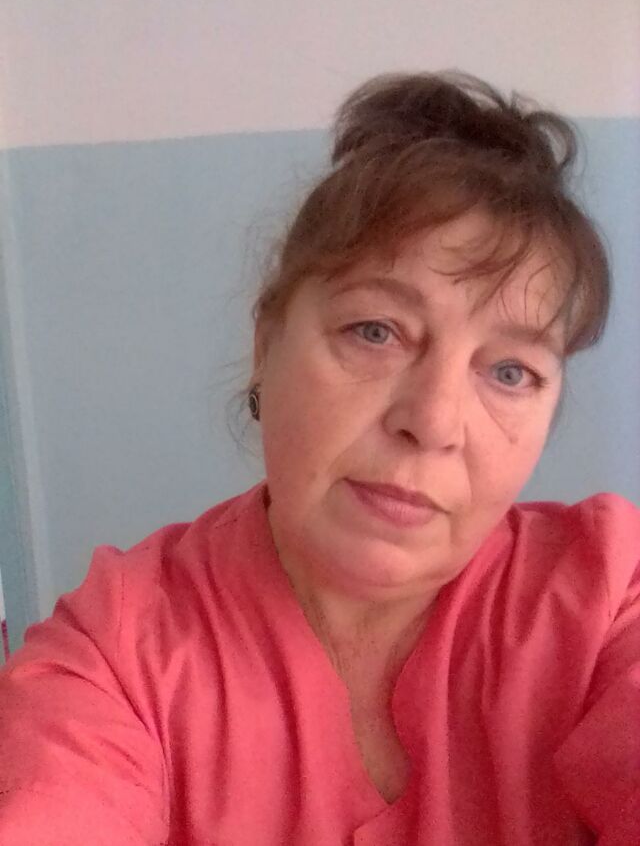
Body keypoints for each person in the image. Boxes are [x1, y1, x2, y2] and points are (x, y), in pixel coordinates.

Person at [0, 71, 638, 846]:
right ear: (265, 343)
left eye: (510, 371)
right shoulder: (120, 650)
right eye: (376, 331)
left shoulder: (607, 599)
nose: (434, 421)